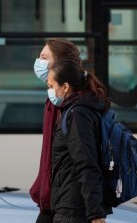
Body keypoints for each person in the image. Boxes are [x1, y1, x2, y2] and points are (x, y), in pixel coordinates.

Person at [48, 59, 111, 223]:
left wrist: (95, 212)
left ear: (66, 87)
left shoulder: (77, 114)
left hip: (73, 210)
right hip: (71, 204)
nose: (51, 91)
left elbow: (86, 163)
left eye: (51, 86)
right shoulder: (78, 109)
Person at [30, 39, 82, 223]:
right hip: (54, 197)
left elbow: (84, 160)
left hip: (64, 201)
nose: (39, 62)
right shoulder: (54, 100)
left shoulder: (71, 105)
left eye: (44, 57)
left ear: (59, 63)